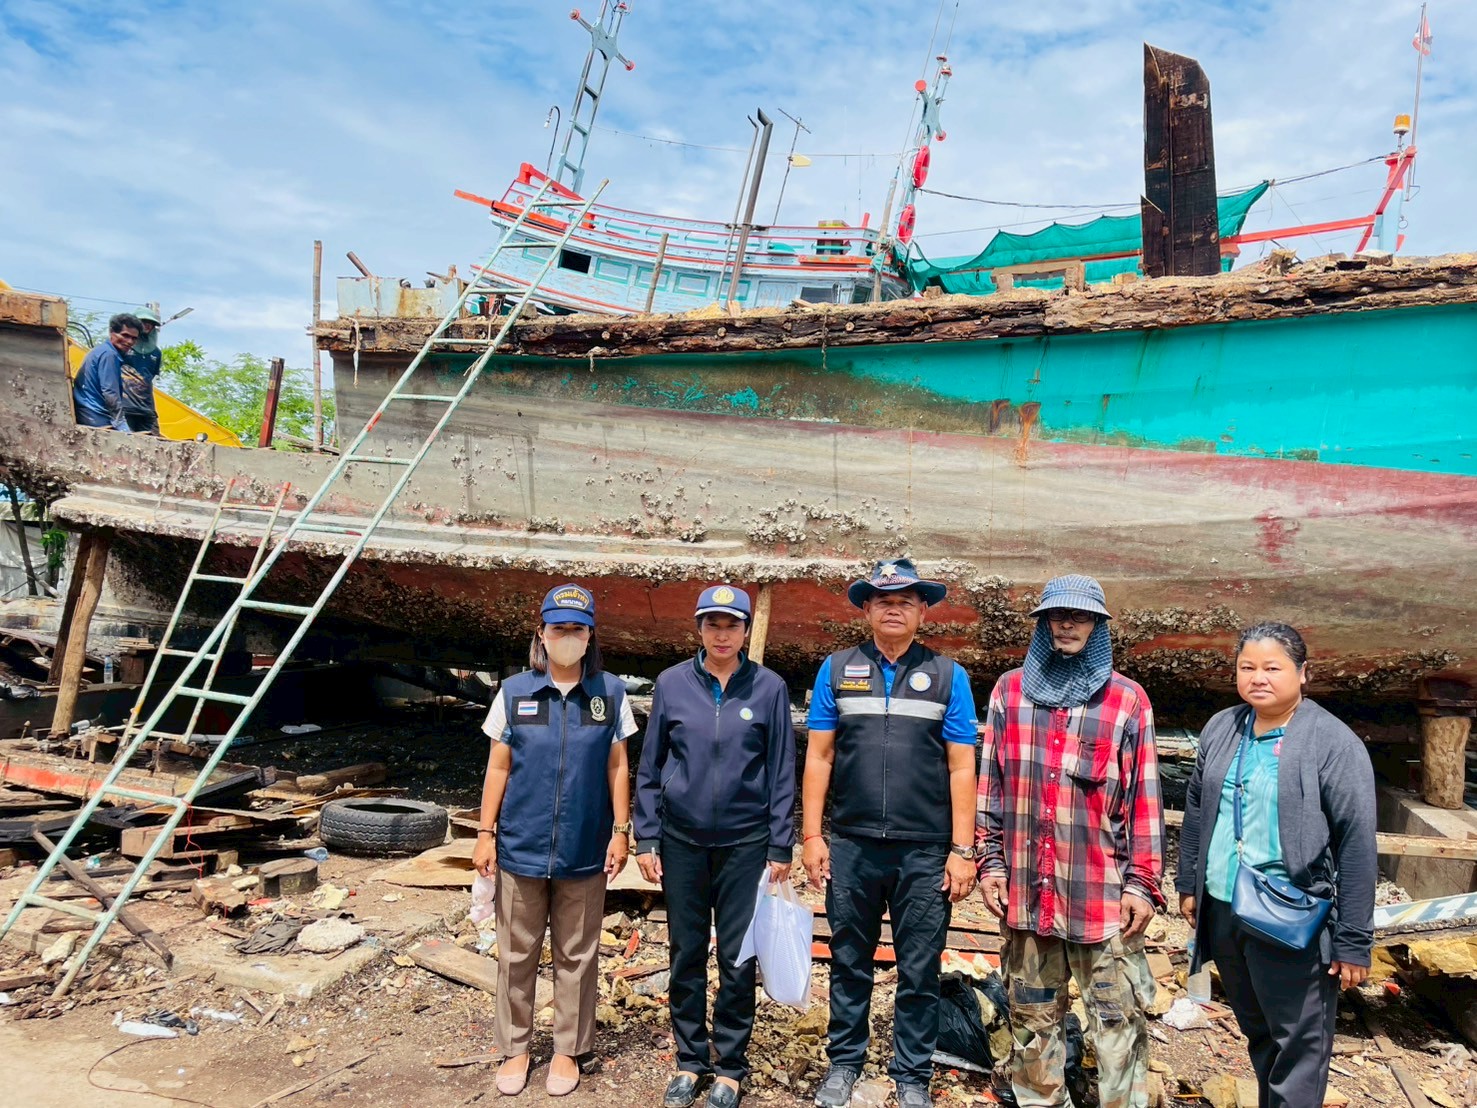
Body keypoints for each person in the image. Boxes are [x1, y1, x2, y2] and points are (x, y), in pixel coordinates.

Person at [976, 574, 1164, 1108]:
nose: (1067, 624)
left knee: (1117, 1021)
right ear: (1043, 624)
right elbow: (991, 786)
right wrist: (991, 864)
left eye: (1079, 616)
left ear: (1097, 626)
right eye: (1057, 616)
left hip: (1100, 898)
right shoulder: (1009, 692)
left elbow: (1145, 800)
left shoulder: (1127, 700)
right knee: (1032, 1020)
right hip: (1028, 896)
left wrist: (1143, 883)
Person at [801, 559, 979, 1108]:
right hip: (852, 844)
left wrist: (962, 849)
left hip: (924, 851)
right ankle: (844, 1063)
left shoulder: (947, 675)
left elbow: (961, 765)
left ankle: (912, 1074)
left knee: (919, 968)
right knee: (848, 960)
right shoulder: (837, 669)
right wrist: (812, 836)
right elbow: (820, 756)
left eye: (905, 600)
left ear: (923, 610)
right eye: (883, 600)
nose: (894, 608)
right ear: (867, 610)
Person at [1176, 622, 1376, 1108]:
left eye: (1272, 668)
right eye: (1247, 667)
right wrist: (1189, 883)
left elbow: (1356, 842)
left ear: (1303, 673)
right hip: (1226, 909)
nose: (1258, 678)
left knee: (1298, 1047)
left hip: (1291, 917)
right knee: (1260, 1033)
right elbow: (1198, 808)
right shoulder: (1223, 727)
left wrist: (1353, 939)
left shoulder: (1332, 743)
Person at [471, 584, 638, 1097]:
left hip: (584, 847)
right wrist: (484, 833)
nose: (567, 637)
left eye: (577, 629)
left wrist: (620, 831)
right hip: (520, 845)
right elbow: (498, 767)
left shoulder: (609, 694)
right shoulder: (515, 692)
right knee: (516, 953)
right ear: (541, 634)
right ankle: (515, 1047)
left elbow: (617, 766)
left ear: (590, 637)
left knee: (577, 953)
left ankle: (567, 1049)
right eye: (558, 628)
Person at [635, 585, 797, 1108]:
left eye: (732, 625)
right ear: (699, 628)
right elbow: (650, 764)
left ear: (746, 631)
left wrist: (780, 843)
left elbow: (781, 770)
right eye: (712, 624)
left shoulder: (769, 687)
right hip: (681, 841)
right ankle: (689, 1061)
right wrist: (646, 836)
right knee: (685, 952)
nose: (722, 635)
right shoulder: (671, 683)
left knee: (737, 957)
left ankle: (730, 1067)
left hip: (746, 844)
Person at [73, 313, 141, 431]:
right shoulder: (109, 355)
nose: (129, 341)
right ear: (111, 332)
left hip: (87, 412)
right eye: (125, 335)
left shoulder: (102, 350)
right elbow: (110, 392)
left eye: (134, 338)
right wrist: (121, 425)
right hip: (95, 415)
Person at [121, 306, 164, 434]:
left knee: (155, 440)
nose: (147, 325)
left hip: (146, 407)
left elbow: (151, 375)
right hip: (125, 406)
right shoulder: (122, 346)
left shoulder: (156, 353)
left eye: (150, 323)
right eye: (143, 322)